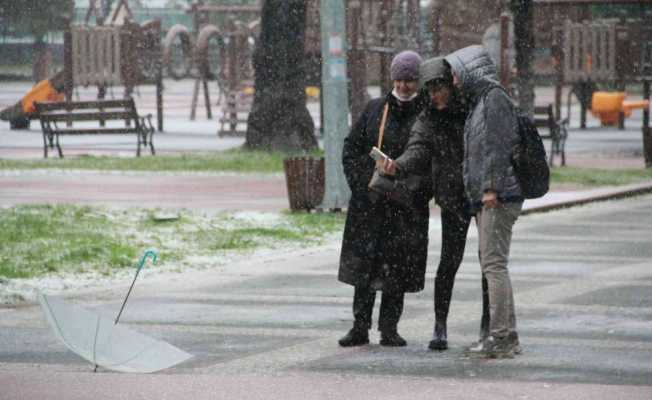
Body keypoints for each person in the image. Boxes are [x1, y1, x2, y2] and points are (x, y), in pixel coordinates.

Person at [385, 56, 488, 351]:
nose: (434, 95)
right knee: (448, 262)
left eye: (438, 88)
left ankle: (487, 323)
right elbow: (417, 147)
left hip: (481, 193)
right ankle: (440, 326)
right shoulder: (429, 116)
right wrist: (398, 165)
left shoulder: (472, 110)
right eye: (429, 90)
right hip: (453, 197)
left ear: (450, 86)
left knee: (488, 262)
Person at [338, 50, 430, 347]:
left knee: (397, 270)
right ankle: (359, 327)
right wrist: (367, 182)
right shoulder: (374, 109)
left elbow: (431, 160)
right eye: (401, 79)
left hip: (405, 207)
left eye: (411, 80)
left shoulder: (426, 114)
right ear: (392, 79)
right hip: (371, 203)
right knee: (365, 267)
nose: (405, 86)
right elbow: (352, 149)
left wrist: (413, 189)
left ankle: (389, 329)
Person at [443, 45, 524, 358]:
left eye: (455, 71)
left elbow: (496, 148)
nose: (453, 79)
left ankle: (501, 337)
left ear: (469, 69)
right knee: (495, 265)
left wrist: (490, 189)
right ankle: (508, 335)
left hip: (498, 197)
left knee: (494, 266)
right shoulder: (481, 100)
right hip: (489, 196)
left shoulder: (492, 99)